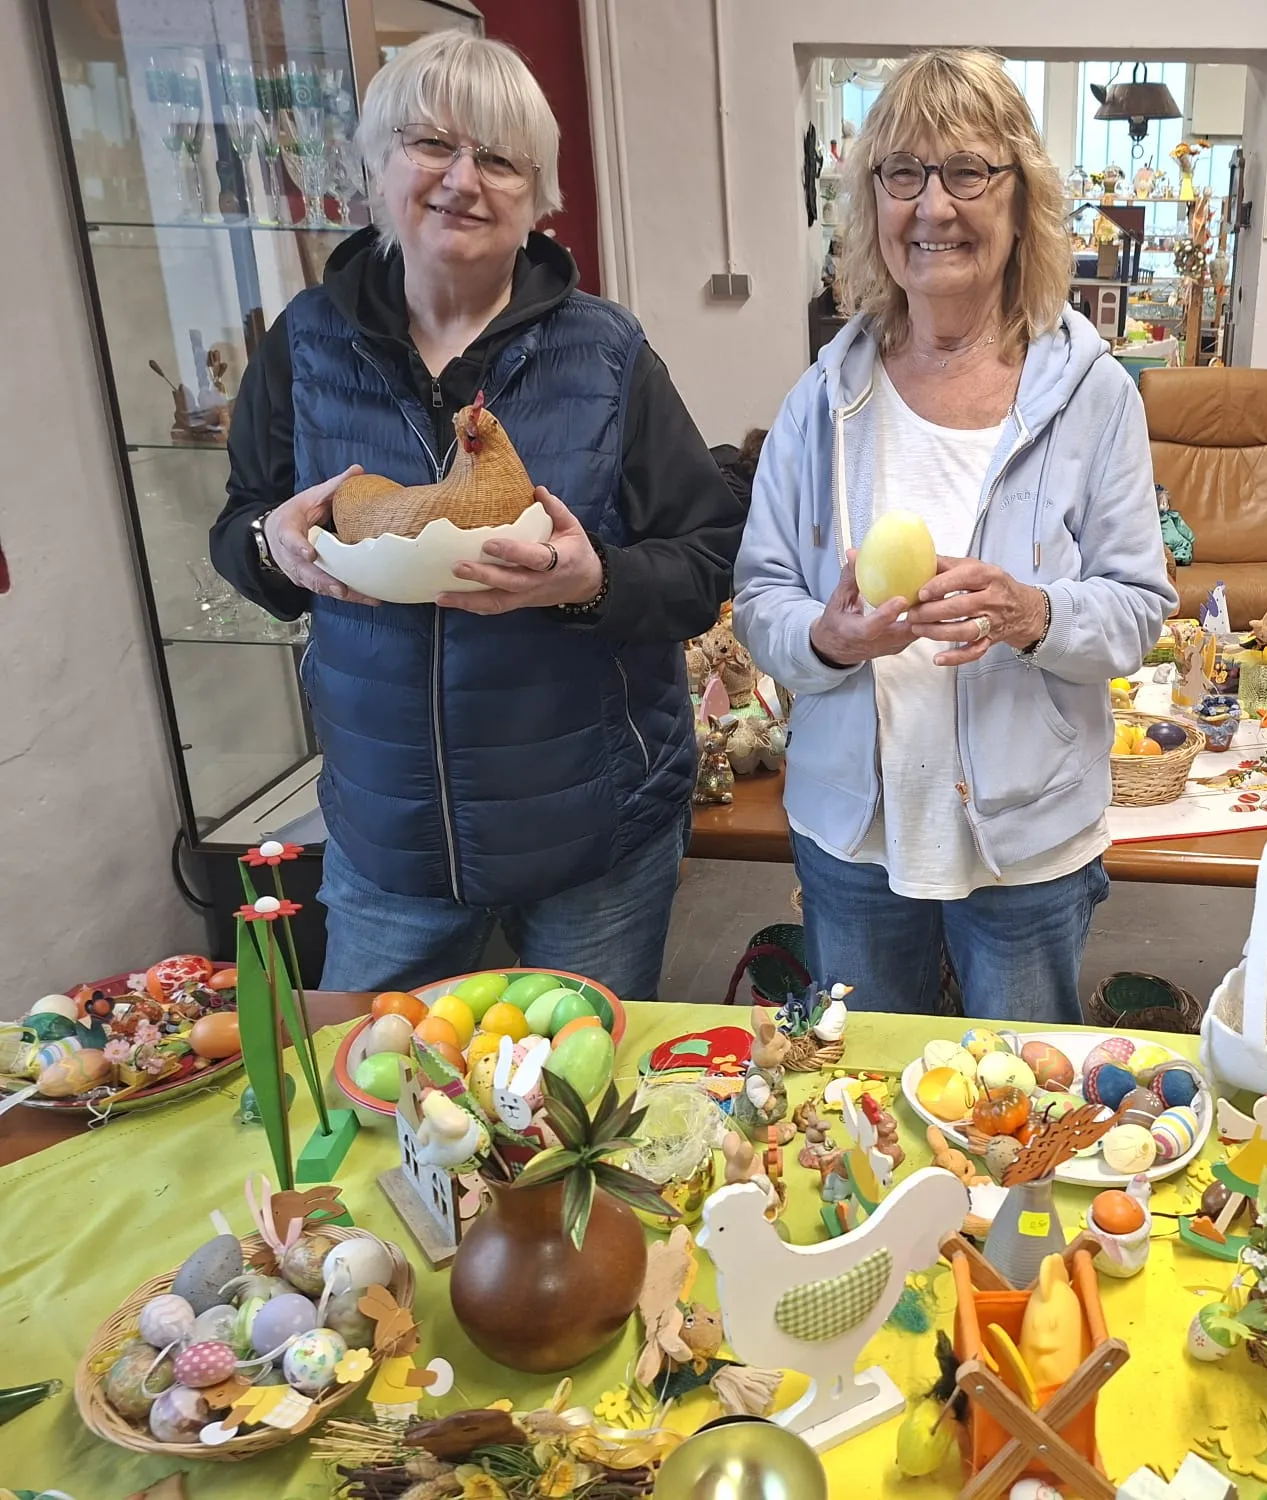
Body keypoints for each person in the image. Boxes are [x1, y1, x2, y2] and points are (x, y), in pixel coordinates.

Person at [210, 32, 741, 998]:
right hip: (387, 840)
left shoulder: (606, 353)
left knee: (576, 1110)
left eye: (498, 158)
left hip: (595, 834)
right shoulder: (306, 346)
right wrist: (272, 547)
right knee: (379, 1105)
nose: (463, 180)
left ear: (536, 195)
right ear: (376, 163)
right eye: (430, 145)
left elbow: (705, 559)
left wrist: (595, 584)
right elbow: (243, 521)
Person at [734, 48, 1174, 1024]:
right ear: (873, 205)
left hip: (1026, 848)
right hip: (855, 840)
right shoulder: (825, 399)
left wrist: (1034, 613)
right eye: (902, 174)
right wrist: (826, 638)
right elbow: (759, 597)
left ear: (1019, 200)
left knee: (1018, 1106)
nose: (932, 206)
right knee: (866, 1107)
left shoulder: (1090, 394)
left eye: (967, 171)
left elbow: (1139, 608)